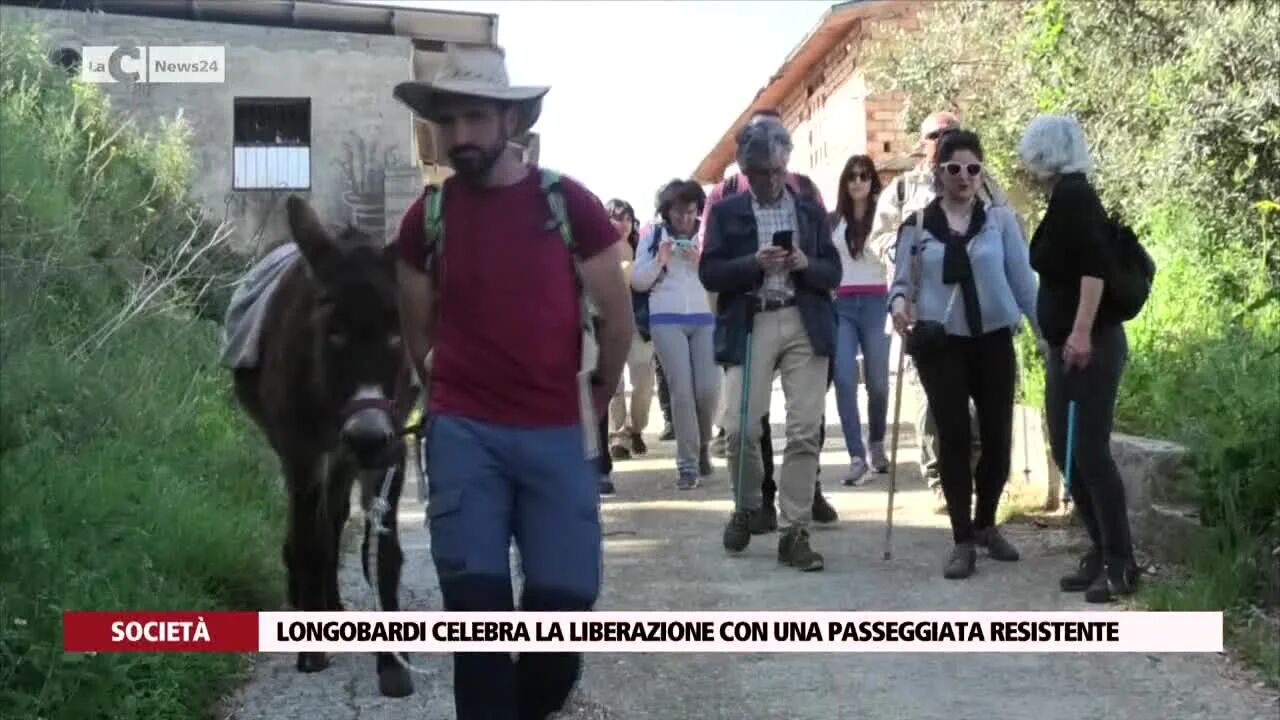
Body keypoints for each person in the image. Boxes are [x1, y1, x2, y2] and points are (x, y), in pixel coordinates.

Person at [391, 43, 632, 718]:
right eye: (449, 121)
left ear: (510, 122)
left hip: (557, 434)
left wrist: (598, 394)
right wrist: (444, 399)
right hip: (464, 435)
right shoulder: (426, 220)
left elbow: (616, 319)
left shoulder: (568, 204)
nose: (460, 135)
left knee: (564, 614)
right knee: (480, 624)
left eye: (475, 118)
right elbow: (418, 332)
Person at [887, 129, 1044, 580]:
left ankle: (986, 525)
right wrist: (898, 306)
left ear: (981, 173)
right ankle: (961, 541)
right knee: (953, 436)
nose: (964, 177)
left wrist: (1043, 335)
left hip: (993, 337)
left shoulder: (1000, 222)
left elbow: (1022, 282)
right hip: (940, 343)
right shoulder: (916, 227)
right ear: (938, 173)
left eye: (973, 169)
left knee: (997, 438)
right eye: (954, 168)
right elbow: (901, 283)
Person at [701, 115, 841, 571]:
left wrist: (804, 263)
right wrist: (752, 263)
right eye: (762, 172)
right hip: (751, 321)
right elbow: (710, 273)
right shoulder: (725, 212)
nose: (772, 179)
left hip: (803, 320)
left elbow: (832, 271)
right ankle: (747, 506)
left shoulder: (809, 210)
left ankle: (794, 531)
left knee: (804, 430)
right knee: (741, 428)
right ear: (744, 170)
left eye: (779, 169)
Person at [1019, 115, 1138, 603]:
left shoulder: (1075, 196)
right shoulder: (1064, 196)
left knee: (1089, 452)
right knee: (1068, 449)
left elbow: (1094, 271)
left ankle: (1121, 562)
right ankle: (1099, 548)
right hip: (1067, 347)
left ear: (1045, 152)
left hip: (1090, 345)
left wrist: (1082, 332)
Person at [869, 111, 1005, 491]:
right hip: (922, 309)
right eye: (937, 135)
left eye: (953, 132)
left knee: (980, 406)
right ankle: (938, 476)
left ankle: (976, 476)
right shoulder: (902, 189)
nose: (945, 139)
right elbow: (878, 238)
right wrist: (907, 256)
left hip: (979, 309)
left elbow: (1005, 231)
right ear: (923, 143)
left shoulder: (985, 183)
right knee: (931, 400)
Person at [631, 179, 720, 489]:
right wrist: (660, 260)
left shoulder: (707, 234)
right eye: (678, 213)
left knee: (707, 390)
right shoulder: (653, 236)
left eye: (690, 212)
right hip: (665, 318)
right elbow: (638, 282)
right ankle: (687, 464)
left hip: (703, 317)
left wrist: (702, 263)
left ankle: (703, 444)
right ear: (667, 213)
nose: (684, 219)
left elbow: (720, 279)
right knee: (681, 390)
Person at [829, 153, 890, 486]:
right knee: (844, 376)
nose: (857, 182)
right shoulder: (832, 219)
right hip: (842, 303)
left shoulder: (885, 215)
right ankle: (856, 455)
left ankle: (877, 442)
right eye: (852, 176)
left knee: (878, 381)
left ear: (872, 181)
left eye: (864, 176)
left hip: (877, 300)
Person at [604, 199, 657, 462]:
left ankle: (636, 428)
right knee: (614, 384)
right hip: (609, 321)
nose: (623, 224)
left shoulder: (642, 245)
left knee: (643, 383)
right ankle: (618, 437)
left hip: (639, 321)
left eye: (627, 218)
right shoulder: (599, 247)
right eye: (617, 217)